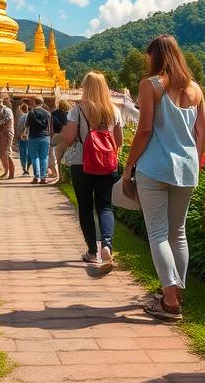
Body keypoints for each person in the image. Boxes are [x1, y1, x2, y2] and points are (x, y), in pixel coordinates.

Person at [123, 35, 205, 321]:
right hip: (186, 169)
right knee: (178, 233)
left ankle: (170, 301)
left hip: (155, 167)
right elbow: (203, 133)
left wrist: (128, 167)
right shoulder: (195, 89)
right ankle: (176, 294)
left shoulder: (151, 85)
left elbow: (144, 131)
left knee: (158, 233)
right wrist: (192, 160)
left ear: (155, 57)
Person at [57, 71, 124, 270]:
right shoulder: (114, 110)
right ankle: (107, 246)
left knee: (85, 208)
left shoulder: (77, 110)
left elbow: (68, 139)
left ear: (85, 87)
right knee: (105, 206)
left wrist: (68, 134)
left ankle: (92, 252)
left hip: (82, 163)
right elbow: (119, 141)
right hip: (106, 163)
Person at [26, 96, 52, 184]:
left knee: (35, 158)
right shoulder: (47, 113)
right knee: (44, 157)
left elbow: (27, 125)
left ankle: (36, 177)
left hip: (33, 137)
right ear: (42, 103)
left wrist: (24, 133)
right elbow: (49, 127)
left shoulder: (31, 113)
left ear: (34, 102)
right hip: (45, 137)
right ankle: (43, 178)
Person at [49, 99, 71, 181]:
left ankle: (60, 177)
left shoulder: (53, 114)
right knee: (67, 157)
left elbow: (51, 127)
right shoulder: (69, 114)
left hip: (57, 136)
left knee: (58, 158)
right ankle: (66, 177)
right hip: (67, 136)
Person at [0, 97, 16, 179]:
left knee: (7, 152)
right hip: (3, 133)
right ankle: (6, 171)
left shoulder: (6, 110)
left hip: (7, 133)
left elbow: (8, 119)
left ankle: (11, 173)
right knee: (3, 153)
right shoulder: (1, 109)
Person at [17, 102, 31, 175]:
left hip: (22, 138)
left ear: (21, 109)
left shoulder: (21, 117)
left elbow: (19, 129)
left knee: (23, 153)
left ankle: (24, 168)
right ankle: (27, 168)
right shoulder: (30, 116)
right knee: (29, 153)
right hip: (29, 137)